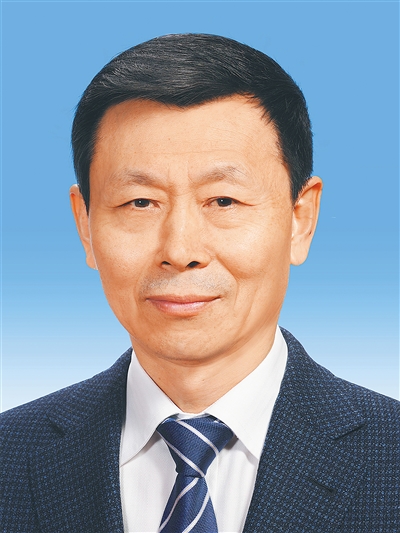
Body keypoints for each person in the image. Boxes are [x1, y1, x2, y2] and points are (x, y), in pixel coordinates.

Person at [1, 34, 398, 533]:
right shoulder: (10, 456)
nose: (180, 249)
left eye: (223, 201)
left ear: (301, 218)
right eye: (140, 202)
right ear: (85, 224)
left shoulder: (390, 456)